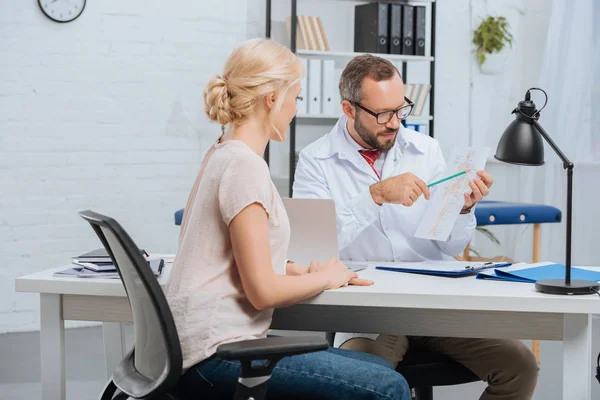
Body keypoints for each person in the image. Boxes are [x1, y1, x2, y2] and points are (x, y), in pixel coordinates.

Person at [165, 40, 411, 400]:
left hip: (197, 349)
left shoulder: (221, 152)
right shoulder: (244, 166)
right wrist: (326, 277)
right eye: (295, 98)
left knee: (378, 371)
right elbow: (262, 292)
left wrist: (300, 271)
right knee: (389, 387)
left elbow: (237, 261)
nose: (295, 109)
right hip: (216, 355)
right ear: (271, 100)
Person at [293, 54, 539, 400]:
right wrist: (375, 196)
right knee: (363, 386)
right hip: (371, 313)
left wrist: (462, 209)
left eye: (400, 110)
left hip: (433, 306)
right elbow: (313, 252)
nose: (394, 123)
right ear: (349, 110)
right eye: (382, 114)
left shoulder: (426, 150)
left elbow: (449, 246)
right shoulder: (315, 161)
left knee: (520, 366)